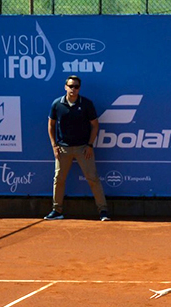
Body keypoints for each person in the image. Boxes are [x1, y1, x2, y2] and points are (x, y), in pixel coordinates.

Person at [45, 75, 109, 222]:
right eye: (70, 86)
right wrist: (55, 146)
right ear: (65, 87)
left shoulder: (86, 104)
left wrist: (90, 145)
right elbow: (51, 125)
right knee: (58, 179)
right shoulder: (57, 104)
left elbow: (95, 125)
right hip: (63, 149)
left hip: (83, 149)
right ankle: (57, 210)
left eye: (76, 87)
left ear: (79, 88)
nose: (73, 89)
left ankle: (103, 211)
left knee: (93, 178)